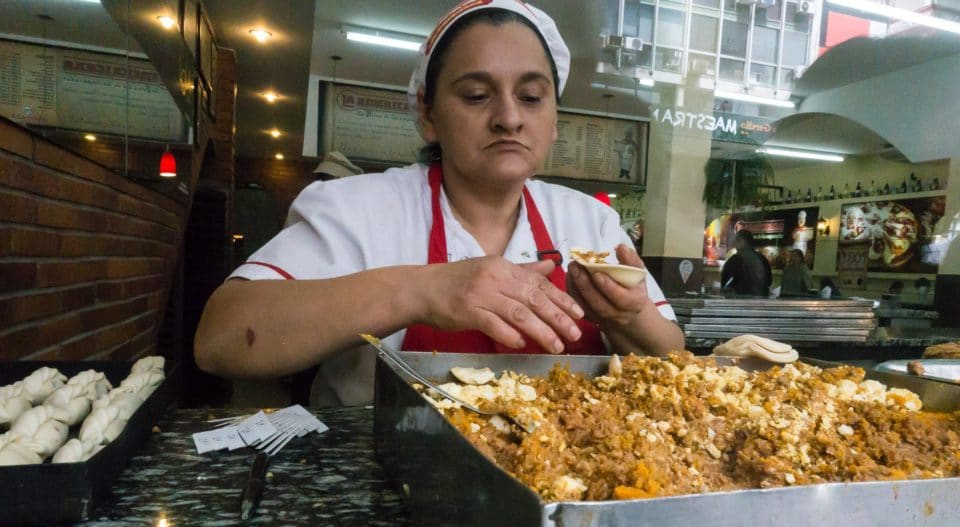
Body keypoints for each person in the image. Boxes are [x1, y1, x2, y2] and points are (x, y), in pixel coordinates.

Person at [194, 0, 684, 406]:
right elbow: (220, 339)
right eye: (476, 95)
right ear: (428, 114)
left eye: (532, 96)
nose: (509, 118)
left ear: (555, 121)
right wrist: (423, 290)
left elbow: (672, 355)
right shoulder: (361, 210)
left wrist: (626, 316)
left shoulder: (589, 223)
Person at [721, 231, 772, 297]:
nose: (734, 243)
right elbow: (769, 281)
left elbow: (726, 285)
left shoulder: (735, 260)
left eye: (736, 240)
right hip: (760, 302)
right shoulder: (762, 259)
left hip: (740, 302)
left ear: (742, 241)